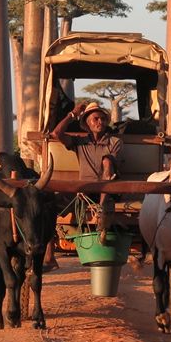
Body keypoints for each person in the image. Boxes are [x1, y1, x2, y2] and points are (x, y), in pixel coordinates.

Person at [51, 101, 123, 241]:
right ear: (87, 124)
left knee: (107, 161)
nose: (100, 122)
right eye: (95, 119)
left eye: (102, 119)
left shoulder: (115, 142)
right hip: (84, 192)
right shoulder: (80, 142)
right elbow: (56, 133)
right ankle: (49, 255)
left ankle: (101, 211)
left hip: (109, 193)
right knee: (50, 204)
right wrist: (73, 114)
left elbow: (111, 164)